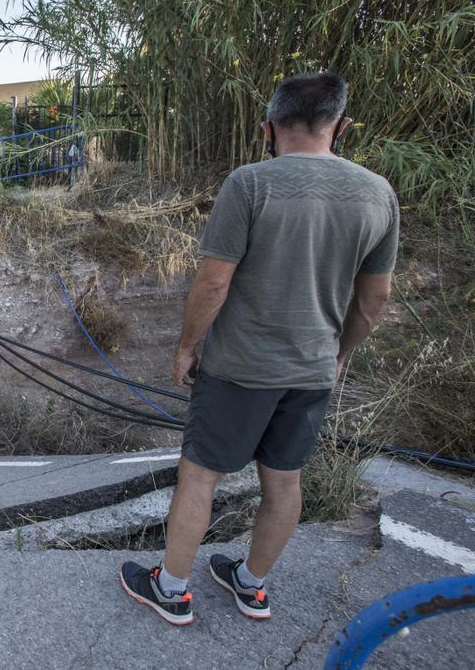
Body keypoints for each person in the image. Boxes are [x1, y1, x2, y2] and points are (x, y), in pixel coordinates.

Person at [119, 72, 398, 625]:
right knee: (284, 481)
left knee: (200, 475)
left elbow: (213, 283)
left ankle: (171, 589)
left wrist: (186, 348)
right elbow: (374, 301)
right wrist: (338, 355)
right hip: (313, 369)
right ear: (340, 126)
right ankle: (251, 584)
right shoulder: (378, 193)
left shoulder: (250, 184)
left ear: (267, 128)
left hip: (239, 367)